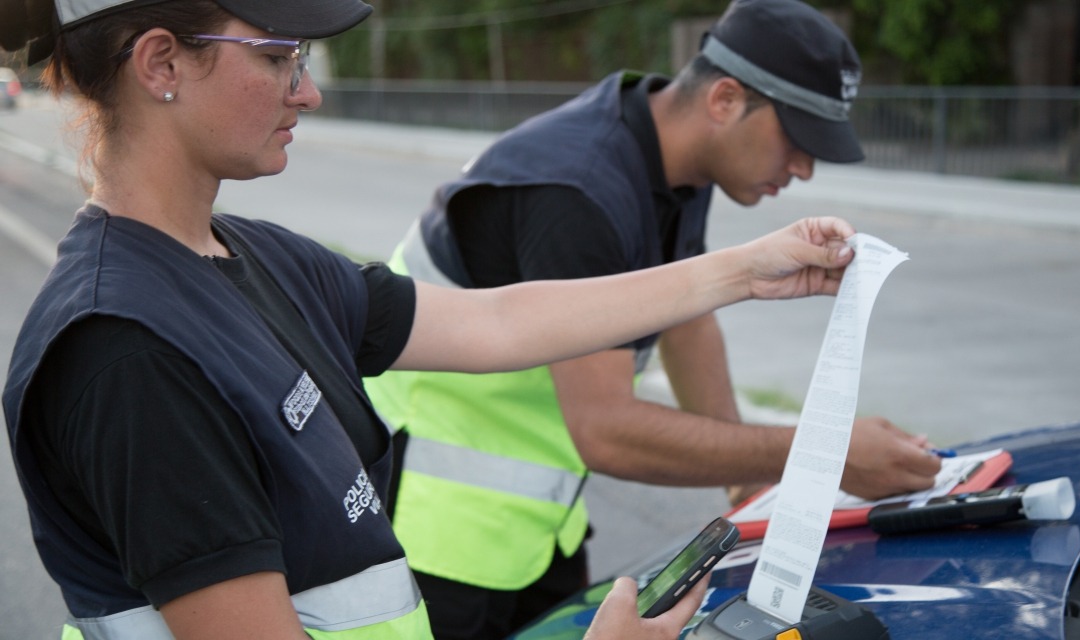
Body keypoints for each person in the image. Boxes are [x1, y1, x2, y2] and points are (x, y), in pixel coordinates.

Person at [0, 0, 868, 638]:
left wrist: (749, 271)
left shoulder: (258, 254)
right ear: (161, 65)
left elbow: (496, 325)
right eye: (277, 57)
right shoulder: (126, 351)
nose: (308, 95)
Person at [363, 0, 944, 637]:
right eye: (798, 139)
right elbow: (606, 428)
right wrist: (820, 455)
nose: (805, 168)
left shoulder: (667, 160)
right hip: (438, 534)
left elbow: (687, 320)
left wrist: (745, 478)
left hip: (534, 528)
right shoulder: (577, 191)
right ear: (724, 100)